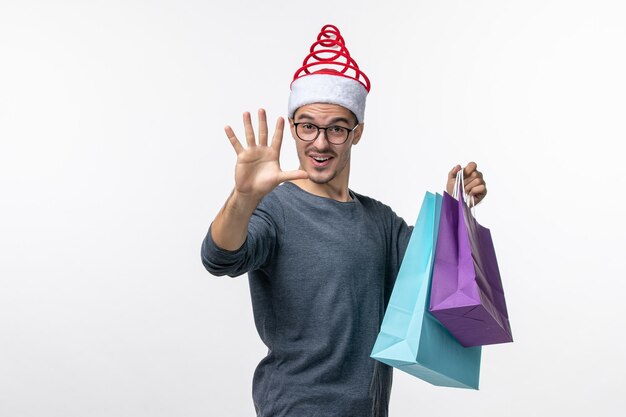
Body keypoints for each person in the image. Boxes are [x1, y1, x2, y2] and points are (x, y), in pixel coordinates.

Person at [201, 24, 487, 417]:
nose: (320, 142)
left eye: (336, 129)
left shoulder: (381, 222)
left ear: (357, 134)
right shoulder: (275, 209)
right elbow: (219, 257)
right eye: (308, 127)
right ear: (295, 128)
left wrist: (460, 206)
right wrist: (245, 197)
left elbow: (441, 274)